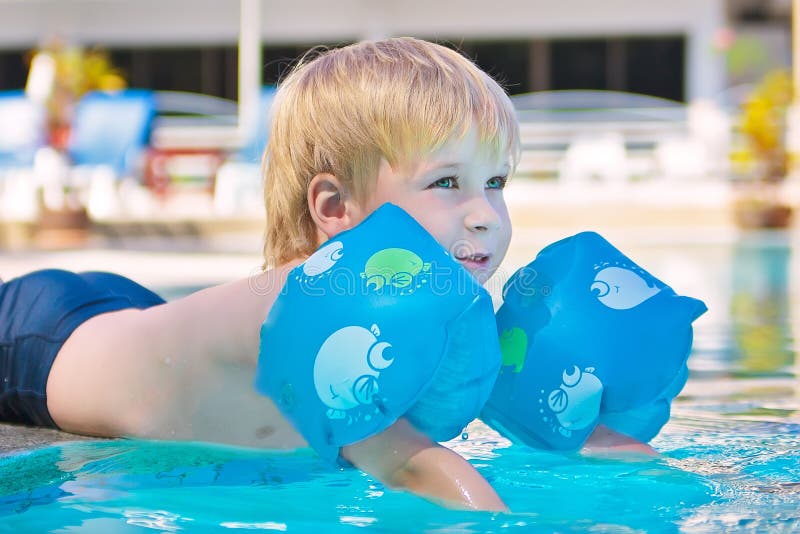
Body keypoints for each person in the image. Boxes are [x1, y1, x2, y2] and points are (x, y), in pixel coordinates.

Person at [0, 37, 649, 512]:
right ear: (334, 208)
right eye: (447, 181)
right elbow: (414, 467)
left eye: (496, 181)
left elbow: (520, 409)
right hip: (42, 339)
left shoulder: (421, 318)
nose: (485, 215)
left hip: (139, 326)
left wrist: (646, 467)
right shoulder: (309, 313)